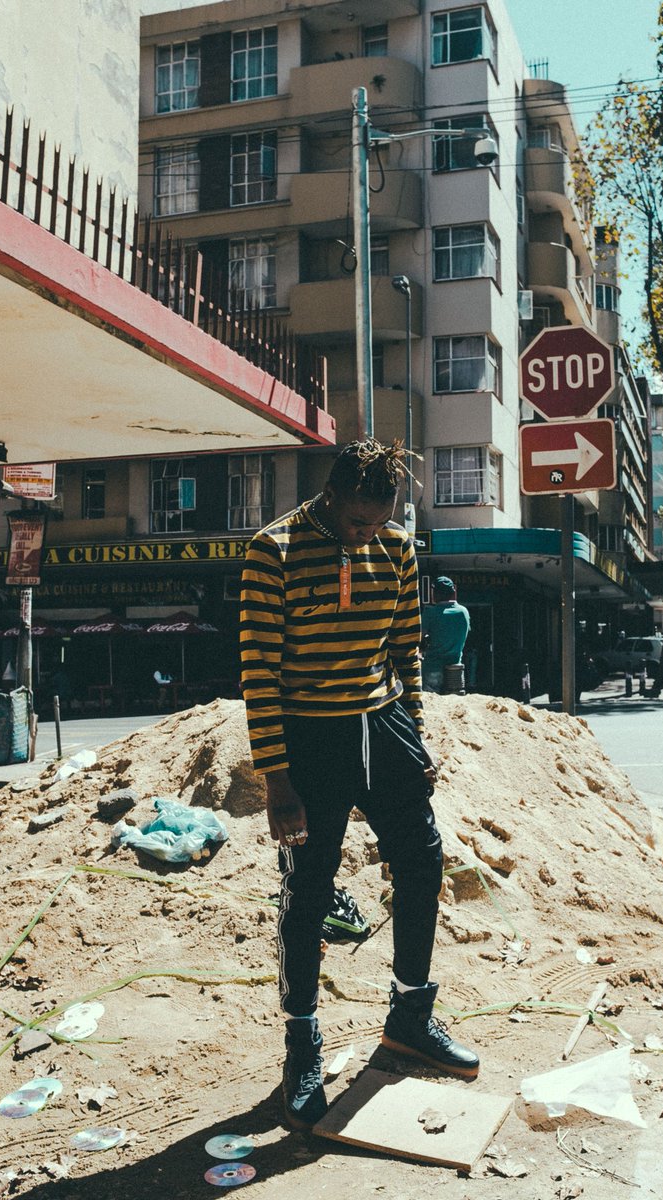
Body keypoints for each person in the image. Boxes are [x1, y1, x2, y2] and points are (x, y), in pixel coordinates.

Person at [240, 438, 479, 1132]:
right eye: (355, 524)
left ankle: (410, 1017)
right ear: (331, 496)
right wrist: (277, 781)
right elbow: (258, 672)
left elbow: (405, 650)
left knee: (422, 858)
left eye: (378, 524)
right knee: (308, 887)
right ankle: (302, 1044)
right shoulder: (273, 551)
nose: (366, 535)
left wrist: (414, 732)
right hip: (308, 734)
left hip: (382, 724)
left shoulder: (397, 550)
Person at [421, 577, 470, 694]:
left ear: (436, 593)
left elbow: (419, 636)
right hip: (455, 668)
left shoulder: (430, 612)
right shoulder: (463, 612)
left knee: (432, 704)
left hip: (432, 667)